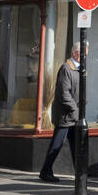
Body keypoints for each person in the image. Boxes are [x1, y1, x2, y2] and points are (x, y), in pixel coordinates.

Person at [39, 44, 81, 182]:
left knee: (76, 145)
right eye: (84, 54)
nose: (87, 57)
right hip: (66, 115)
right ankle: (45, 171)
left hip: (74, 116)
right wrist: (75, 109)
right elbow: (64, 93)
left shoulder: (79, 69)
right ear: (76, 53)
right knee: (57, 144)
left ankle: (80, 173)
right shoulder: (66, 68)